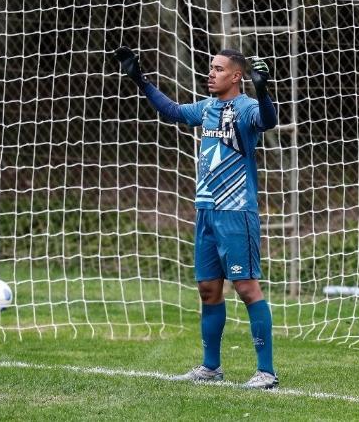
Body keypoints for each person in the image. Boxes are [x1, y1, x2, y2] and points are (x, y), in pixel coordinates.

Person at [113, 46, 279, 389]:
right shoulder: (207, 108)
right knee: (207, 290)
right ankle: (211, 367)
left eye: (218, 69)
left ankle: (266, 371)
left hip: (236, 213)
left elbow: (268, 120)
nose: (211, 73)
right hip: (205, 211)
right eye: (211, 68)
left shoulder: (246, 108)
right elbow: (172, 111)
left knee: (247, 288)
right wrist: (140, 80)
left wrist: (262, 89)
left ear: (236, 76)